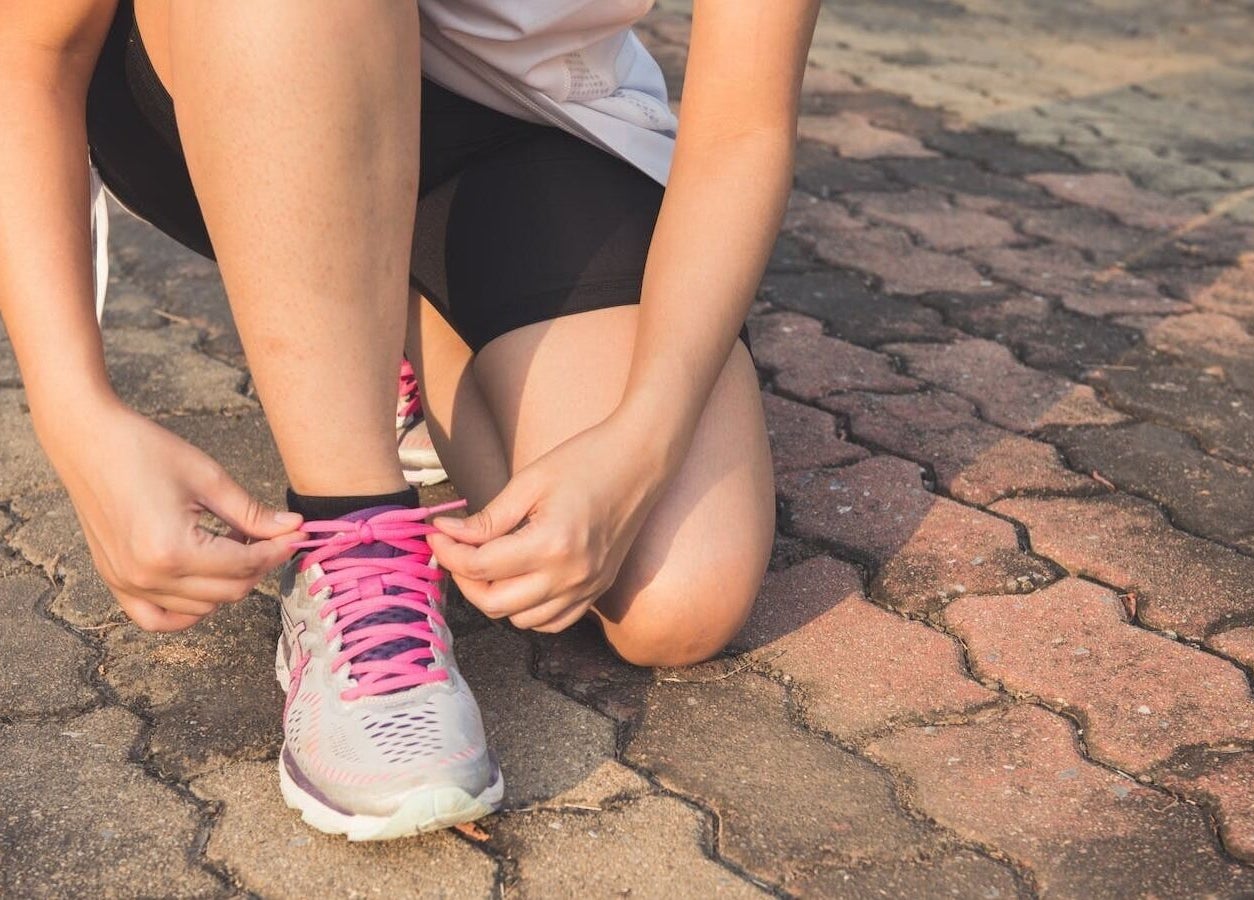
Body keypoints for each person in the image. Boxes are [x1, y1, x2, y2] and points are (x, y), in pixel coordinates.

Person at [0, 0, 819, 839]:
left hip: (533, 116)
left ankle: (380, 308)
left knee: (674, 592)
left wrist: (645, 437)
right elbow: (30, 52)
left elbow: (744, 127)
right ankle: (351, 526)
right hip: (241, 56)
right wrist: (75, 415)